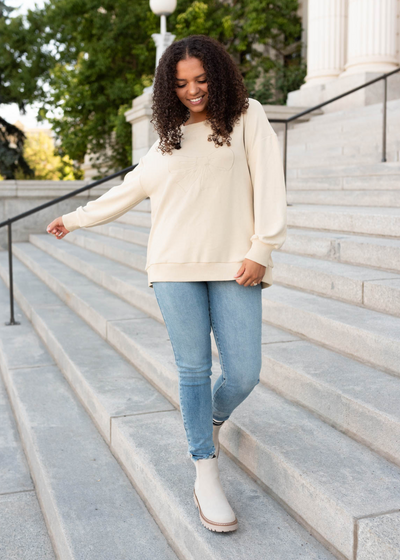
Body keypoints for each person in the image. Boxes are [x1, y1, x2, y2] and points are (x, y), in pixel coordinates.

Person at [47, 34, 287, 534]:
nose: (193, 91)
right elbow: (127, 190)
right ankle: (204, 467)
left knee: (244, 371)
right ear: (167, 88)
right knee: (194, 370)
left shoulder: (247, 116)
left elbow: (269, 183)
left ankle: (209, 421)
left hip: (235, 263)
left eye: (200, 80)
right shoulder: (168, 139)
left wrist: (262, 249)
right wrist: (75, 218)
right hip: (173, 267)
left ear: (217, 76)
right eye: (180, 84)